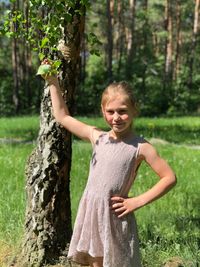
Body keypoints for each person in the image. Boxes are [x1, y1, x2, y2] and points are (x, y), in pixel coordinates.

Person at [42, 61, 176, 267]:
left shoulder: (141, 147)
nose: (116, 117)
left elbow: (169, 178)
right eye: (110, 111)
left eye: (122, 111)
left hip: (115, 216)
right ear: (103, 111)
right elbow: (62, 116)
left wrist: (136, 202)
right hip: (93, 213)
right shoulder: (98, 137)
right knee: (96, 262)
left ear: (133, 111)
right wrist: (52, 82)